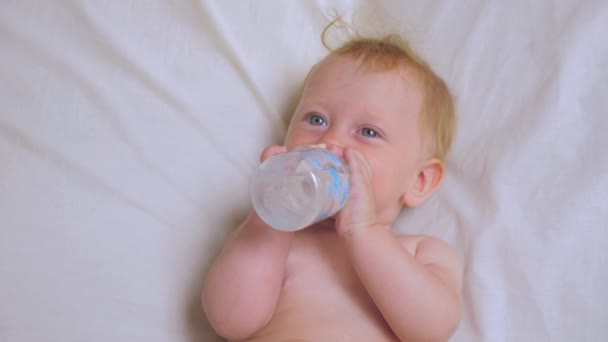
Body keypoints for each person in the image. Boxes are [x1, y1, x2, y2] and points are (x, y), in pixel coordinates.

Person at [202, 24, 463, 341]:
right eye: (316, 119)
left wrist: (363, 230)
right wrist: (270, 218)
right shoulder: (281, 244)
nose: (330, 140)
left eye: (368, 132)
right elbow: (231, 321)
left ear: (419, 181)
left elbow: (432, 330)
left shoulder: (420, 252)